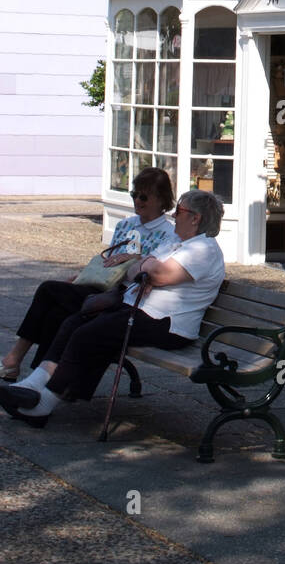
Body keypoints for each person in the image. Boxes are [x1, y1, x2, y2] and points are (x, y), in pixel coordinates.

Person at [0, 189, 225, 428]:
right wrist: (146, 267)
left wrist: (147, 267)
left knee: (89, 334)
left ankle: (42, 405)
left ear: (195, 218)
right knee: (74, 322)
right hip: (139, 310)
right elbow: (132, 269)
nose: (173, 215)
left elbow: (157, 275)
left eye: (179, 211)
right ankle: (32, 385)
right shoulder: (176, 243)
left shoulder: (203, 249)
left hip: (168, 323)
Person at [1, 167, 179, 380]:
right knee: (56, 312)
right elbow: (107, 261)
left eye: (144, 196)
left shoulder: (169, 234)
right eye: (134, 194)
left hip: (122, 297)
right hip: (99, 286)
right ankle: (39, 380)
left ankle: (15, 361)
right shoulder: (125, 224)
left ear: (161, 199)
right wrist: (82, 275)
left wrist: (135, 259)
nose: (137, 201)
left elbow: (156, 272)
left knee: (48, 291)